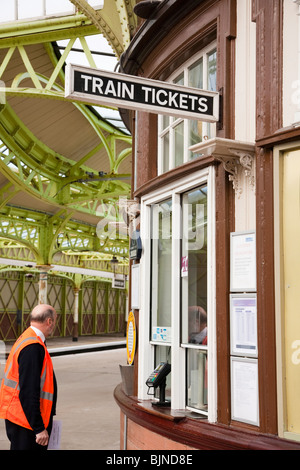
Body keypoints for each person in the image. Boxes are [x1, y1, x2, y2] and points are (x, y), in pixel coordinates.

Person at [0, 304, 57, 450]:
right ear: (49, 322)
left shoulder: (27, 338)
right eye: (55, 320)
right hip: (26, 423)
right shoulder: (33, 346)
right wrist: (38, 428)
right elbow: (28, 391)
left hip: (21, 418)